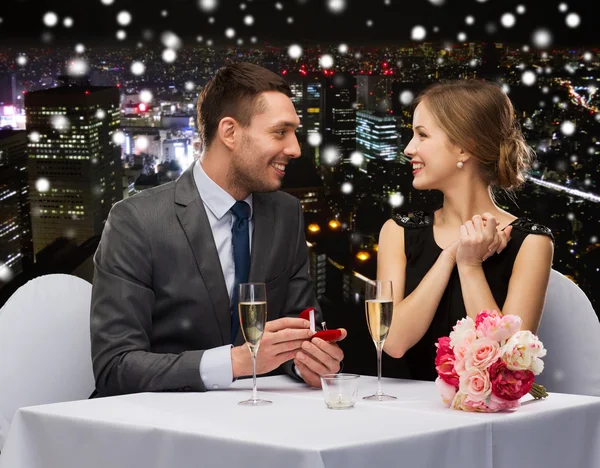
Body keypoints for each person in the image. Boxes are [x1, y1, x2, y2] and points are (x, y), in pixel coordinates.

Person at [91, 62, 346, 396]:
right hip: (162, 429)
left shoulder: (286, 213)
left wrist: (307, 361)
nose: (295, 148)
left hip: (263, 422)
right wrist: (237, 362)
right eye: (280, 132)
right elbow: (115, 368)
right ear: (230, 133)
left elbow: (299, 326)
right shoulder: (136, 221)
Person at [377, 80, 554, 381]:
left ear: (464, 147)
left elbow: (509, 361)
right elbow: (393, 342)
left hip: (486, 423)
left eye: (422, 135)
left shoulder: (532, 243)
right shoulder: (397, 231)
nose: (408, 149)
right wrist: (448, 257)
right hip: (404, 415)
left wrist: (469, 265)